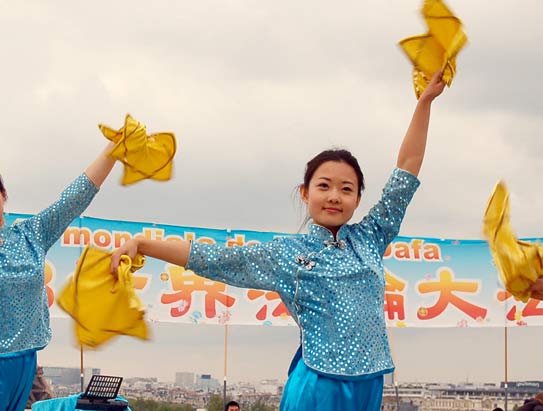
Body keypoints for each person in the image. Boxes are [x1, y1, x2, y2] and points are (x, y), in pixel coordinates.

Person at [111, 72, 445, 410]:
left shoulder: (371, 237)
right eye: (324, 185)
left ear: (358, 198)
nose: (334, 196)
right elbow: (213, 258)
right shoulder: (288, 254)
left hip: (370, 383)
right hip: (318, 385)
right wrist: (143, 244)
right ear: (305, 192)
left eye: (346, 189)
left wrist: (423, 103)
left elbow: (407, 169)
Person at [0, 142, 117, 411]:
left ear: (3, 195)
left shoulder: (33, 234)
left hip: (24, 362)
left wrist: (112, 151)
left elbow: (75, 198)